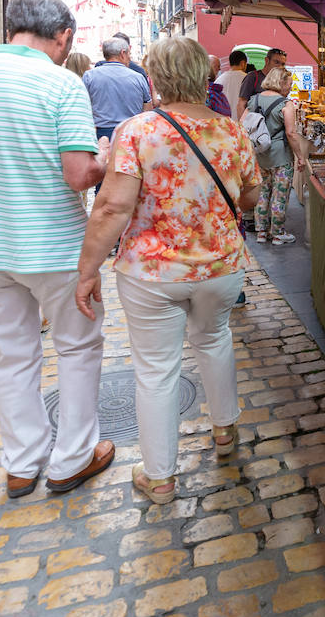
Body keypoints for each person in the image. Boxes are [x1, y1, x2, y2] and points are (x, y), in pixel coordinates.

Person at [0, 0, 114, 498]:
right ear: (63, 38)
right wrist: (102, 155)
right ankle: (72, 459)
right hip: (53, 245)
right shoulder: (61, 82)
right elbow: (80, 176)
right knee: (77, 348)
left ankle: (21, 463)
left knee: (12, 355)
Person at [75, 36, 261, 504]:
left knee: (157, 370)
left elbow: (113, 207)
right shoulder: (231, 131)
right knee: (215, 340)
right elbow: (251, 197)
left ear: (154, 78)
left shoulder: (137, 131)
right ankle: (224, 432)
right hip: (219, 266)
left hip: (153, 272)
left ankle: (160, 476)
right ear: (203, 76)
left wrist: (87, 268)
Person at [248, 66, 306, 245]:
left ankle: (261, 232)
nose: (290, 88)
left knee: (262, 194)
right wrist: (300, 156)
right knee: (280, 195)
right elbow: (291, 133)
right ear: (280, 83)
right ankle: (278, 233)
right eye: (289, 84)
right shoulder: (285, 104)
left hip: (260, 155)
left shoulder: (254, 100)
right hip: (280, 157)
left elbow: (243, 124)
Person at [83, 38, 153, 142]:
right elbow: (147, 108)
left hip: (100, 135)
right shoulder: (138, 77)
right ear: (123, 53)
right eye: (129, 53)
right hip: (131, 132)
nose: (130, 57)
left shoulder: (89, 76)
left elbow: (84, 107)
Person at [237, 48, 287, 119]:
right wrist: (243, 127)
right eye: (276, 62)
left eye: (283, 64)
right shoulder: (252, 77)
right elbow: (241, 104)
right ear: (267, 60)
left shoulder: (281, 80)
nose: (280, 67)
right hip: (255, 127)